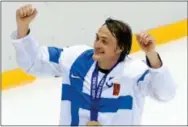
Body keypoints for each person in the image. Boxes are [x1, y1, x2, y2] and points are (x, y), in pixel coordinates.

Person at [11, 4, 176, 126]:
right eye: (97, 38)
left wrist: (151, 54)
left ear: (119, 48)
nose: (97, 44)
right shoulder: (75, 59)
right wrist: (23, 27)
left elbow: (166, 94)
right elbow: (33, 62)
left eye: (105, 41)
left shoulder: (134, 72)